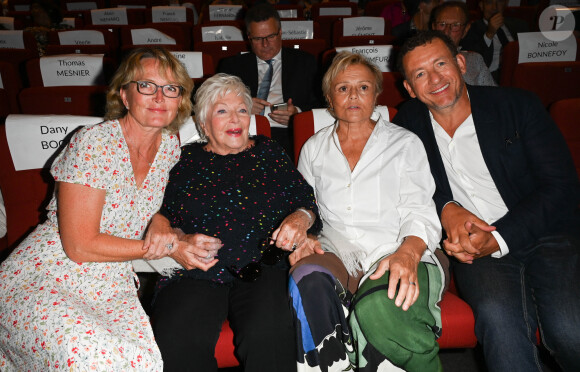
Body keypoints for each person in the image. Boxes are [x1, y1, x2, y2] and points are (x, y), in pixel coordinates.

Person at [394, 31, 580, 372]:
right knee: (499, 325)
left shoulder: (517, 105)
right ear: (409, 88)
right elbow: (407, 188)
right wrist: (446, 207)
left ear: (461, 64)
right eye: (420, 74)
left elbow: (562, 187)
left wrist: (498, 237)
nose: (434, 79)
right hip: (474, 250)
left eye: (440, 64)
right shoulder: (408, 122)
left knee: (570, 329)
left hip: (546, 234)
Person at [0, 46, 194, 370]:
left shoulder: (170, 148)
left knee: (142, 363)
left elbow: (142, 202)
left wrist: (160, 221)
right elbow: (79, 245)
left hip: (110, 279)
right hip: (50, 273)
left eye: (171, 88)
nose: (160, 97)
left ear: (181, 100)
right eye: (146, 85)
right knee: (89, 358)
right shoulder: (93, 142)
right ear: (125, 95)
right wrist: (165, 247)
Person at [147, 73, 321, 371]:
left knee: (268, 335)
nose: (236, 119)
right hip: (196, 269)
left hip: (264, 267)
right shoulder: (182, 160)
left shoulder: (268, 151)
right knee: (177, 340)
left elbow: (306, 202)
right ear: (203, 123)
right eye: (222, 111)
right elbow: (158, 212)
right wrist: (168, 229)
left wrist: (300, 219)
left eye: (242, 109)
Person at [291, 51, 445, 372]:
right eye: (343, 88)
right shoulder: (314, 149)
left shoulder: (404, 144)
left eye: (363, 87)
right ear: (329, 98)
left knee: (377, 305)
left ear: (376, 95)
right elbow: (305, 207)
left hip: (397, 249)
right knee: (305, 280)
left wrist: (408, 253)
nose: (353, 96)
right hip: (338, 252)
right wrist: (304, 237)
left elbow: (420, 209)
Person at [218, 2, 321, 159]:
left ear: (280, 33)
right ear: (249, 38)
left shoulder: (305, 62)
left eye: (271, 36)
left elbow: (321, 104)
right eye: (258, 38)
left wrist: (297, 115)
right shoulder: (231, 66)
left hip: (289, 134)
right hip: (245, 131)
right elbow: (214, 104)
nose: (265, 44)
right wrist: (241, 108)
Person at [431, 1, 496, 86]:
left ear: (465, 30)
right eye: (442, 24)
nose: (446, 31)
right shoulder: (422, 61)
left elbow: (492, 94)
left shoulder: (475, 60)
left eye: (455, 25)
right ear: (433, 27)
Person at [460, 0, 528, 81]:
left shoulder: (520, 25)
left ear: (506, 4)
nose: (494, 7)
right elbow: (472, 63)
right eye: (489, 2)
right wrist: (489, 34)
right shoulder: (472, 29)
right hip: (490, 78)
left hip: (519, 74)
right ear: (481, 5)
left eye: (499, 2)